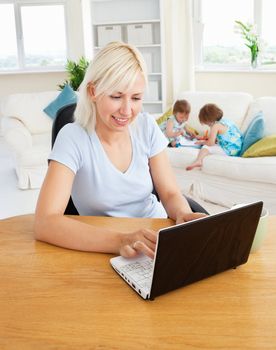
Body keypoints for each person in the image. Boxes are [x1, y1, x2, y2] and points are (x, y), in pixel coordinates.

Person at [34, 41, 206, 259]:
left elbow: (170, 193)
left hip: (156, 239)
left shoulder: (146, 126)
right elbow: (44, 222)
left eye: (136, 98)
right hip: (108, 246)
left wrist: (183, 213)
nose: (127, 110)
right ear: (93, 91)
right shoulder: (73, 138)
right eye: (116, 96)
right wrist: (121, 240)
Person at [186, 103, 243, 171]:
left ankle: (199, 161)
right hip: (237, 148)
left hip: (229, 151)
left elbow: (211, 143)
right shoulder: (225, 121)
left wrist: (202, 142)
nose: (207, 125)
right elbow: (222, 137)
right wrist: (203, 138)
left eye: (206, 123)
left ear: (207, 120)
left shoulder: (215, 126)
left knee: (206, 147)